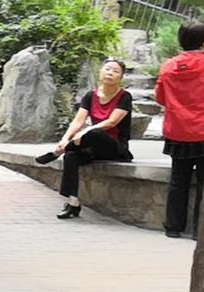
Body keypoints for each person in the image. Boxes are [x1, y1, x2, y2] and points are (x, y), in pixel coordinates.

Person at [34, 59, 134, 218]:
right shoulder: (91, 96)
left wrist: (85, 132)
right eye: (107, 69)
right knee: (71, 156)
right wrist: (65, 139)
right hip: (93, 147)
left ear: (121, 77)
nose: (110, 73)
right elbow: (78, 121)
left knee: (95, 133)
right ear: (100, 72)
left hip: (115, 148)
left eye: (115, 71)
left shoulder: (125, 96)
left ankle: (57, 153)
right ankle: (73, 202)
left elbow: (112, 122)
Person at [155, 21, 204, 239]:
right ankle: (199, 230)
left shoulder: (168, 66)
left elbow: (160, 97)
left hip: (177, 130)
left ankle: (173, 226)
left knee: (178, 180)